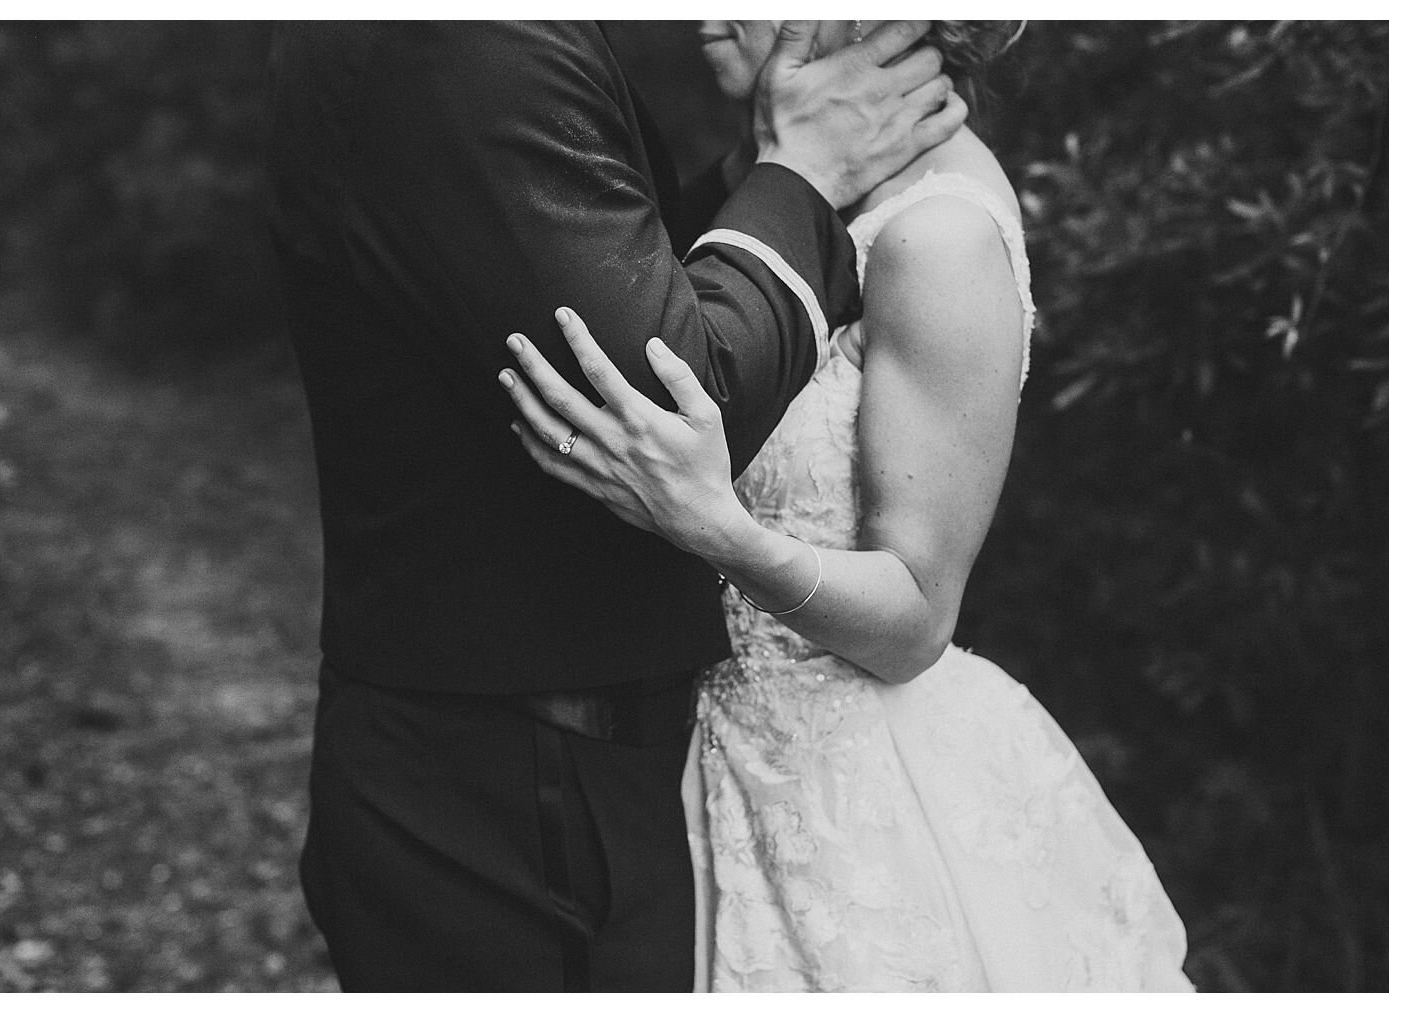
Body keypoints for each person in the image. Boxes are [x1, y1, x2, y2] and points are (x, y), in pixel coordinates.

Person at [266, 21, 965, 991]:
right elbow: (674, 394)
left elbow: (613, 269)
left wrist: (774, 168)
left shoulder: (948, 228)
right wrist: (800, 175)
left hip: (597, 769)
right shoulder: (459, 40)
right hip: (509, 794)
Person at [500, 20, 1195, 991]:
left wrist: (717, 530)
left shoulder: (934, 232)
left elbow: (915, 614)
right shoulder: (773, 184)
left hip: (863, 804)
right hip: (707, 771)